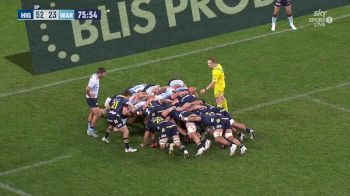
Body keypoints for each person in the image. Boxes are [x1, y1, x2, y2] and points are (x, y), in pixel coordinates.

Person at [85, 67, 106, 137]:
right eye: (104, 74)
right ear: (100, 73)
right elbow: (87, 89)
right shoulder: (94, 80)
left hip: (93, 99)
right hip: (91, 100)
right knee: (98, 114)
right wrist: (90, 95)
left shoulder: (95, 76)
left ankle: (89, 128)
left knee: (91, 113)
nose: (104, 75)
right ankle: (90, 130)